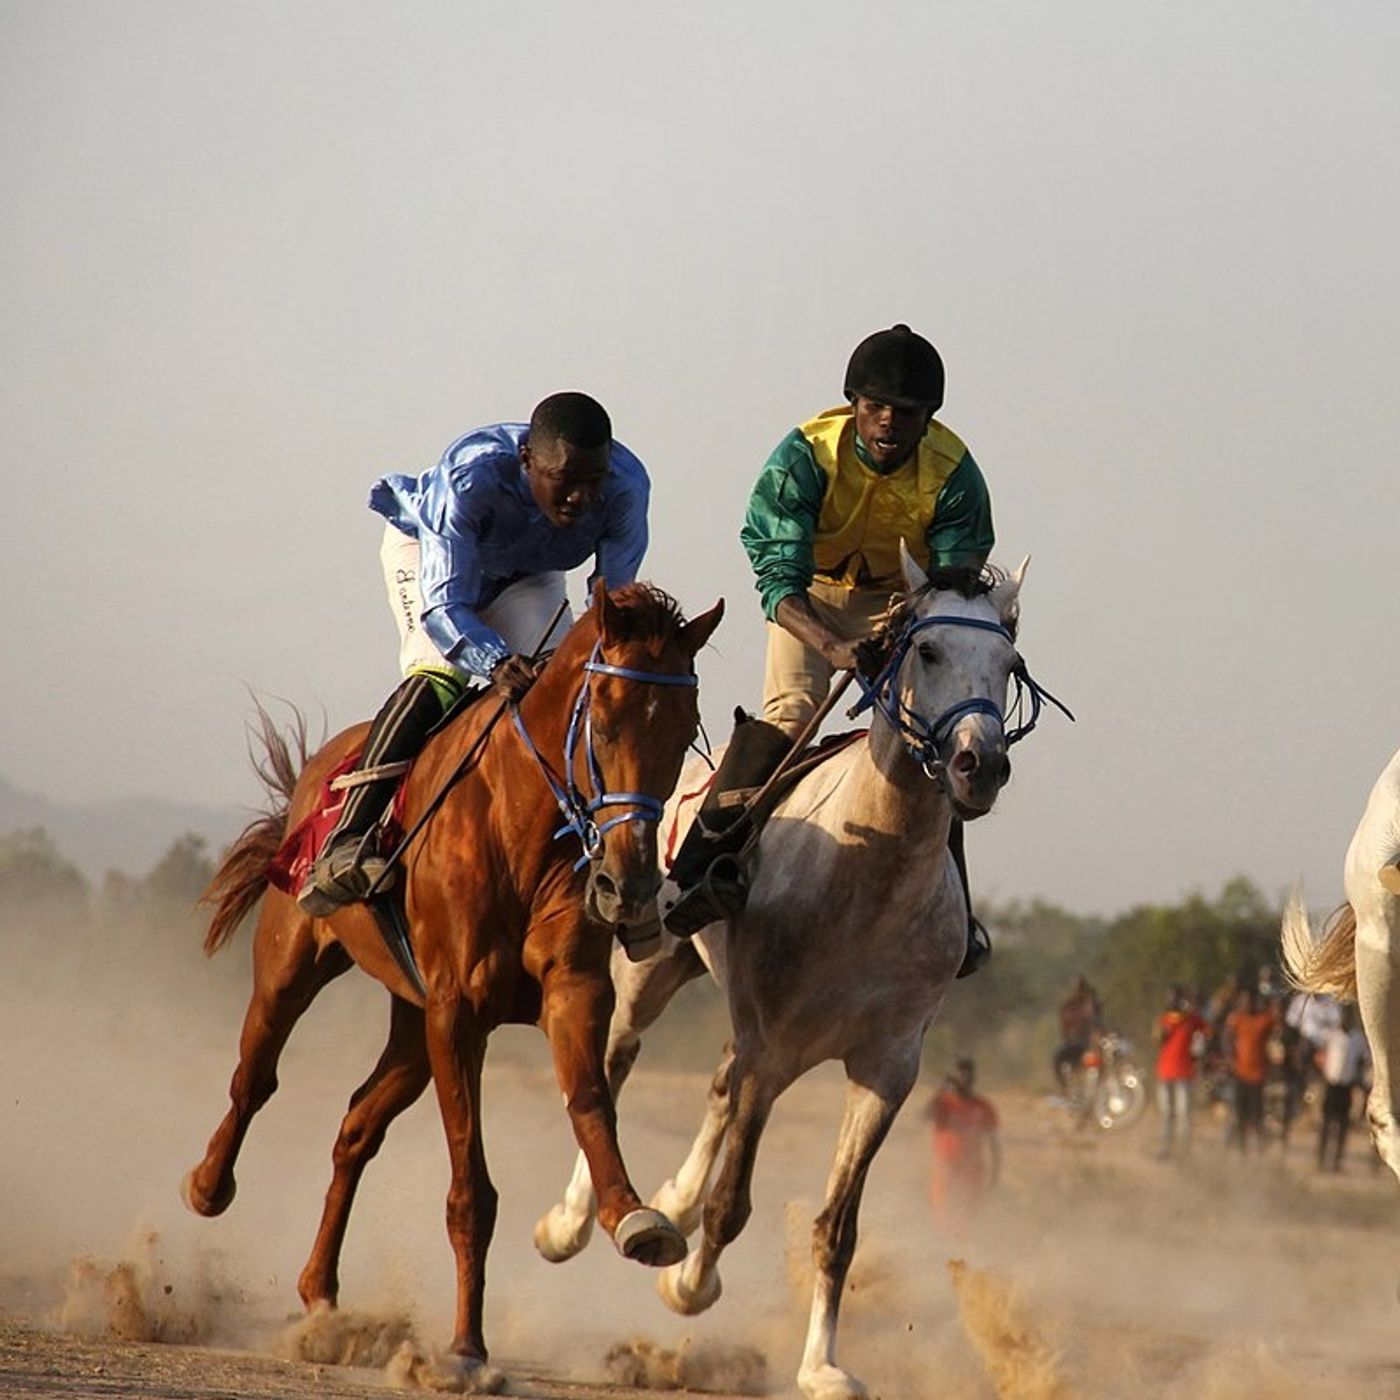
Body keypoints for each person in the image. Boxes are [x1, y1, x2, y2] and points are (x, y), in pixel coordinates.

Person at [666, 324, 995, 970]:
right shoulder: (804, 457)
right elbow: (778, 584)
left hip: (903, 603)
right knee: (790, 715)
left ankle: (955, 911)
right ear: (852, 404)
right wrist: (836, 645)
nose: (888, 423)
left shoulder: (956, 476)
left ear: (930, 421)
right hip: (809, 596)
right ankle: (699, 868)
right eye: (874, 407)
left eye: (906, 413)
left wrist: (901, 630)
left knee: (929, 739)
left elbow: (953, 591)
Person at [297, 392, 650, 916]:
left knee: (569, 691)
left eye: (591, 483)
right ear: (527, 459)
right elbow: (446, 608)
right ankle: (346, 840)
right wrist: (493, 662)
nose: (579, 498)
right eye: (565, 480)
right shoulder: (471, 475)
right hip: (430, 555)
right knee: (439, 674)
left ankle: (598, 856)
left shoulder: (626, 488)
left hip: (529, 573)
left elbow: (611, 605)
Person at [926, 1057, 1001, 1236]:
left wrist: (995, 1172)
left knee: (970, 1216)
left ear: (974, 1077)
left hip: (973, 1170)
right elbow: (925, 1116)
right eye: (960, 1075)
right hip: (946, 1169)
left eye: (968, 1074)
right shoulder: (943, 1104)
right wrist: (940, 1090)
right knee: (943, 1216)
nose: (964, 1079)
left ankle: (966, 1256)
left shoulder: (983, 1106)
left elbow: (993, 1143)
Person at [1223, 986, 1279, 1155]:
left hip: (1258, 1076)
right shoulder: (1237, 1019)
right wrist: (1229, 1058)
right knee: (1240, 1116)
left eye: (1249, 1001)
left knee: (1256, 1117)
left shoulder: (1262, 1020)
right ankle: (1242, 1150)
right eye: (1243, 1001)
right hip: (1240, 1074)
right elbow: (1226, 1037)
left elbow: (1277, 1021)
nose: (1246, 1004)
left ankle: (1259, 1151)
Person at [1154, 985, 1208, 1158]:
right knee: (1166, 1113)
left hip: (1184, 1073)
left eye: (1176, 997)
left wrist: (1198, 1053)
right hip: (1165, 1072)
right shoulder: (1162, 1020)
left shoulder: (1192, 1019)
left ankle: (1184, 1150)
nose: (1173, 1001)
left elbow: (1207, 1033)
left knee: (1183, 1112)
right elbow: (1156, 1041)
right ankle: (1166, 1148)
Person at [1315, 1004, 1371, 1171]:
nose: (1345, 1020)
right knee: (1326, 1123)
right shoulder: (1332, 1035)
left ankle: (1337, 1162)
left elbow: (1364, 1059)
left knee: (1342, 1126)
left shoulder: (1358, 1038)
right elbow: (1320, 1053)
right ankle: (1321, 1159)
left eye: (1349, 1017)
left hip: (1346, 1087)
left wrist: (1358, 1079)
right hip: (1331, 1084)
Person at [1053, 975, 1103, 1093]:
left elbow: (1099, 1025)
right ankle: (1065, 1089)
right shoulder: (1069, 1007)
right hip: (1077, 1043)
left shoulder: (1092, 1005)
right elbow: (1065, 1028)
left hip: (1092, 1044)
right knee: (1058, 1058)